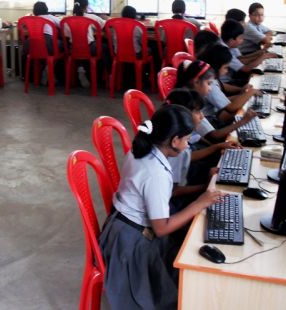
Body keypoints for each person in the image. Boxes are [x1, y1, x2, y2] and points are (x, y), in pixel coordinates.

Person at [99, 105, 224, 309]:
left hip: (122, 228)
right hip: (130, 246)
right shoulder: (155, 173)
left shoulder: (144, 148)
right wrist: (199, 203)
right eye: (186, 139)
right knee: (177, 291)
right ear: (174, 140)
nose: (187, 145)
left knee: (186, 245)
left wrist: (203, 193)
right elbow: (161, 229)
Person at [175, 59, 258, 142]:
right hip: (210, 130)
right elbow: (214, 135)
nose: (210, 88)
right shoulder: (189, 103)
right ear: (196, 82)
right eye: (208, 83)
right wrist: (243, 121)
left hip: (212, 125)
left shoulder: (192, 96)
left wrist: (243, 95)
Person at [197, 43, 261, 126]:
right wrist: (251, 92)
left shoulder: (210, 77)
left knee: (245, 103)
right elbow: (231, 108)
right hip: (209, 119)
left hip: (215, 111)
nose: (227, 71)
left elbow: (223, 96)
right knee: (245, 112)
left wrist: (243, 93)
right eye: (225, 67)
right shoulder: (210, 83)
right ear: (216, 66)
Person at [63, 0, 105, 87]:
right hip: (89, 49)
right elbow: (106, 25)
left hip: (73, 49)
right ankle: (103, 77)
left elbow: (66, 35)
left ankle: (81, 67)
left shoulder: (67, 20)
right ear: (86, 6)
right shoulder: (92, 17)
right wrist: (104, 18)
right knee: (105, 47)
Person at [219, 19, 276, 85]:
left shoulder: (229, 43)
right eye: (240, 38)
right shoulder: (223, 50)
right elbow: (245, 69)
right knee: (256, 82)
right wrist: (263, 57)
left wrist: (261, 52)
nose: (243, 40)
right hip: (226, 83)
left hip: (233, 75)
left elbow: (240, 58)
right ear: (232, 40)